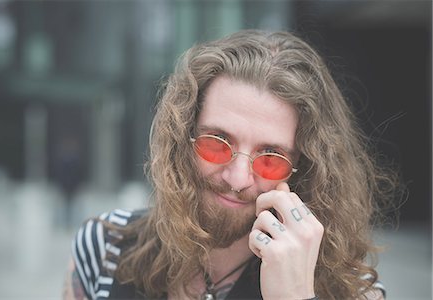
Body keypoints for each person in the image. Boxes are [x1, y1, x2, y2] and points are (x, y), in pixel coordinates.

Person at [63, 30, 397, 299]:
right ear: (183, 139)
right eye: (217, 143)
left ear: (304, 169)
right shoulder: (105, 246)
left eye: (270, 158)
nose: (238, 179)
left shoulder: (353, 291)